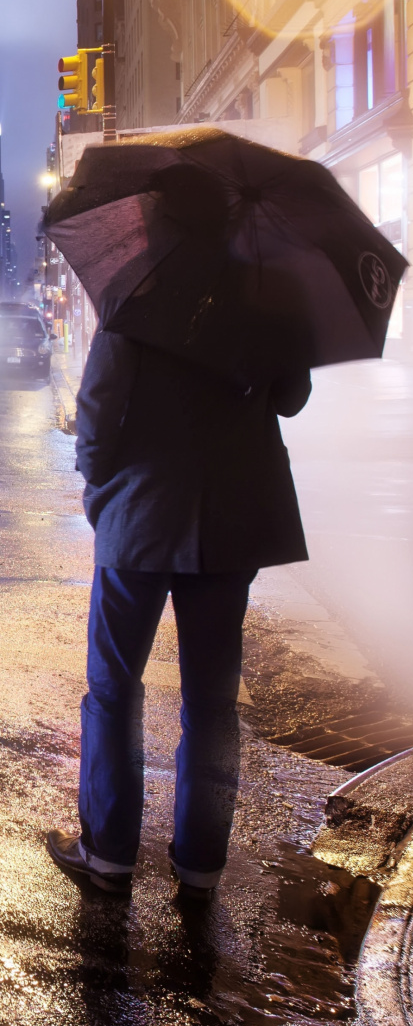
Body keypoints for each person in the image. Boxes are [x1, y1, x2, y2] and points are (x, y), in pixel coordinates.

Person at [47, 328, 311, 898]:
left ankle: (108, 853)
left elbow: (99, 407)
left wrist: (97, 484)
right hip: (230, 515)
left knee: (114, 685)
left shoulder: (140, 293)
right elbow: (291, 397)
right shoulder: (264, 296)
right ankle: (200, 864)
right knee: (212, 701)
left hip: (140, 511)